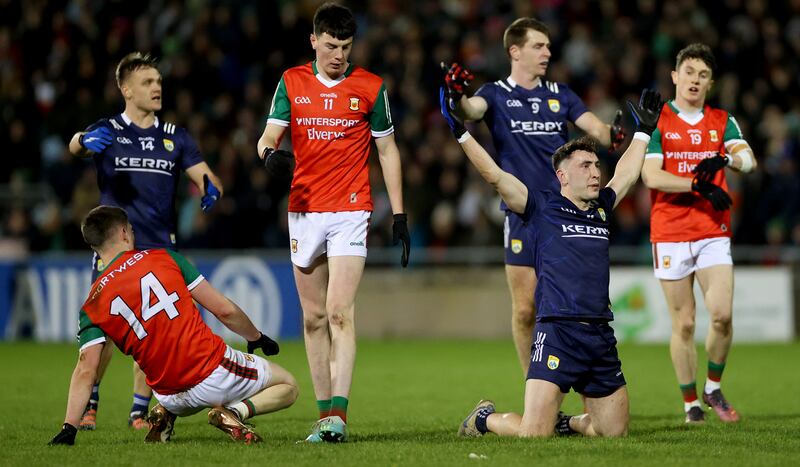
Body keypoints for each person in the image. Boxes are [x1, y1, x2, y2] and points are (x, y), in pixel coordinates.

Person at [441, 85, 662, 437]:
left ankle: (567, 422)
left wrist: (644, 132)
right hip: (557, 331)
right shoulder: (540, 206)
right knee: (533, 434)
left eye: (595, 165)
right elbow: (495, 175)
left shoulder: (603, 206)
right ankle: (484, 419)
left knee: (613, 433)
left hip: (599, 334)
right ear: (562, 176)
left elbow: (627, 174)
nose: (595, 172)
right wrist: (460, 133)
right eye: (585, 166)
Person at [256, 3, 409, 443]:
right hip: (304, 210)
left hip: (351, 209)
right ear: (314, 41)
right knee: (313, 318)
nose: (339, 54)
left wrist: (398, 213)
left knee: (340, 313)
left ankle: (338, 418)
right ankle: (323, 416)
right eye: (330, 45)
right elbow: (268, 137)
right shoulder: (291, 81)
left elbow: (388, 151)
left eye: (345, 46)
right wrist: (269, 156)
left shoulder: (370, 87)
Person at [443, 17, 626, 374]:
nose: (547, 52)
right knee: (525, 310)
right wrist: (456, 96)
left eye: (547, 46)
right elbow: (469, 111)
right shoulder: (494, 94)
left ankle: (576, 381)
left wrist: (612, 133)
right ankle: (535, 387)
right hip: (523, 212)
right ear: (515, 50)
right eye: (538, 46)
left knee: (562, 305)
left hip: (563, 213)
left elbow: (599, 131)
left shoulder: (561, 95)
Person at [48, 206, 297, 446]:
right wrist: (255, 337)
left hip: (168, 393)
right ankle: (233, 413)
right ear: (124, 232)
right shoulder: (164, 257)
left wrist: (69, 427)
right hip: (211, 372)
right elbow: (224, 310)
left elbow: (85, 370)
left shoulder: (92, 303)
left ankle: (164, 413)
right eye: (131, 230)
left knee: (172, 383)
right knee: (288, 385)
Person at [67, 52, 224, 431]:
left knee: (154, 332)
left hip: (157, 250)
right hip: (113, 251)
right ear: (126, 89)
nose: (157, 88)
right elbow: (76, 146)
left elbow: (209, 178)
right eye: (147, 82)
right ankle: (91, 402)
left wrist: (211, 190)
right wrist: (82, 139)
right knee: (102, 334)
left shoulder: (174, 138)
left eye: (158, 81)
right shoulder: (108, 130)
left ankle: (139, 411)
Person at [640, 43, 756, 424]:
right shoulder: (659, 120)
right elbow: (651, 176)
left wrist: (724, 158)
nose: (695, 80)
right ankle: (691, 404)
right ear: (675, 76)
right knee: (685, 323)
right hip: (670, 231)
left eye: (703, 75)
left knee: (721, 315)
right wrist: (696, 184)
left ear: (710, 83)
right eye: (689, 71)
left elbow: (749, 160)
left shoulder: (723, 121)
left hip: (711, 230)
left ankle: (713, 387)